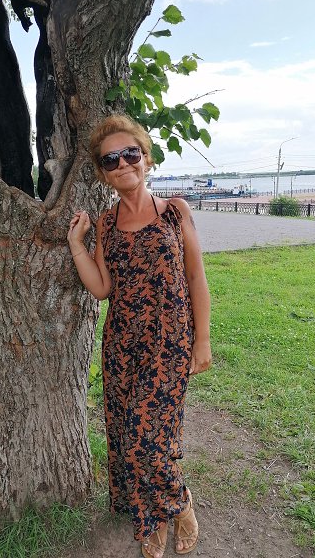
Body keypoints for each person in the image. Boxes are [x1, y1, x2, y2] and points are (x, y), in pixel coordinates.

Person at [68, 114, 212, 557]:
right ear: (103, 172)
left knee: (149, 439)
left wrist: (202, 340)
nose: (123, 164)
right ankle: (152, 517)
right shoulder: (106, 224)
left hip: (169, 343)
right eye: (110, 159)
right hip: (122, 346)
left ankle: (179, 504)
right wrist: (77, 245)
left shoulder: (175, 211)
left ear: (146, 158)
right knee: (127, 436)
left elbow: (196, 276)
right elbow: (102, 288)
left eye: (130, 153)